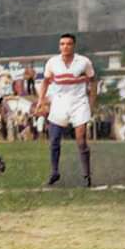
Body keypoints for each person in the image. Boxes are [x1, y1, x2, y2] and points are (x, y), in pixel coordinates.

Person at [36, 33, 97, 187]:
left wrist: (92, 101)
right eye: (62, 44)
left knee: (81, 139)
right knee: (54, 140)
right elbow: (45, 82)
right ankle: (55, 172)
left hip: (79, 102)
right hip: (60, 102)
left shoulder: (83, 62)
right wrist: (41, 100)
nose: (65, 47)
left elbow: (93, 81)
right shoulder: (52, 62)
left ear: (73, 46)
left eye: (68, 44)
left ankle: (86, 175)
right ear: (59, 46)